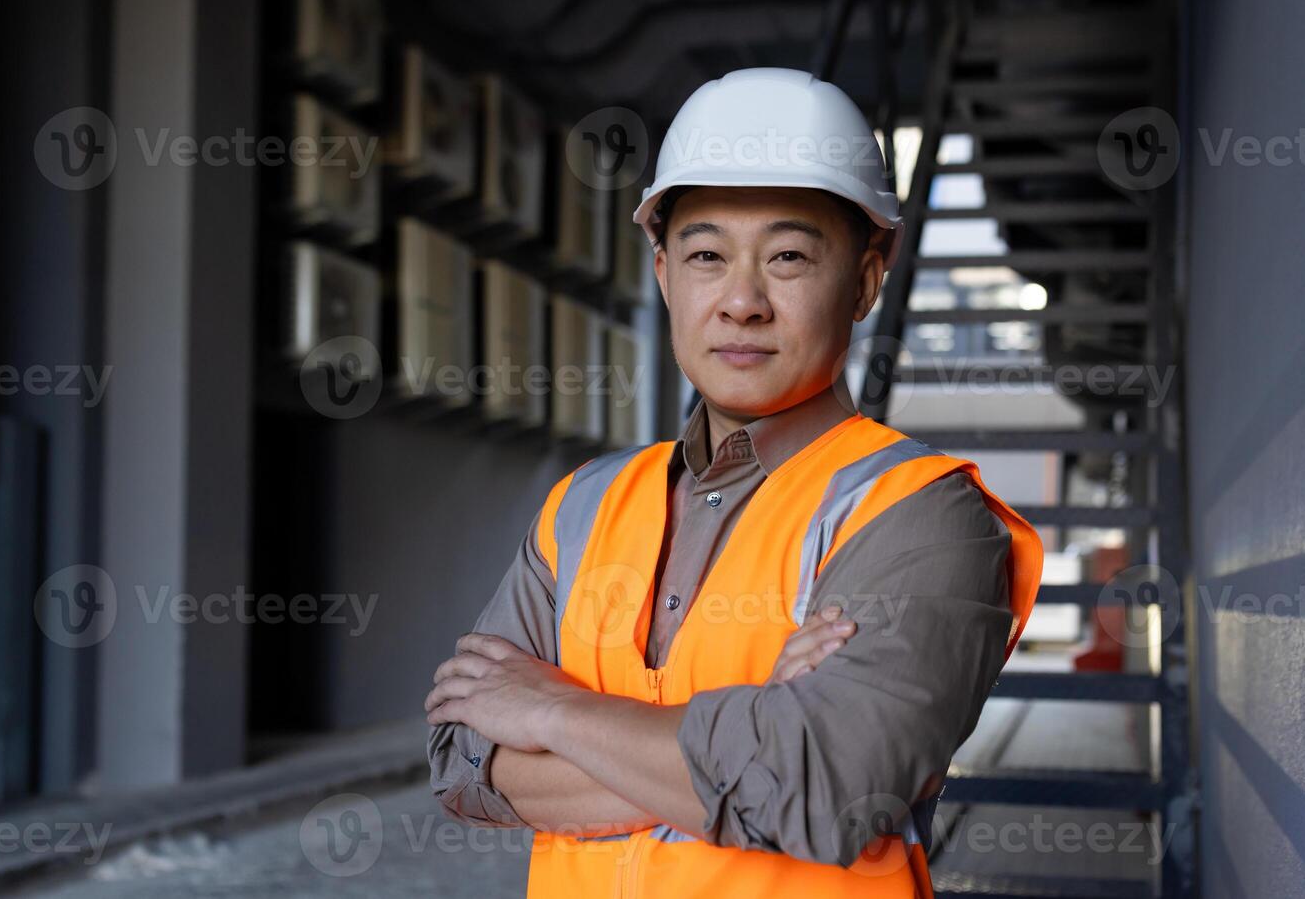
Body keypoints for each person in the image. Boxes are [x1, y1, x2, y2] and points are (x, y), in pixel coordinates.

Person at [425, 67, 1043, 899]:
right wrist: (750, 732)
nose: (742, 300)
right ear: (663, 273)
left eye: (788, 256)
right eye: (708, 255)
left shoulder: (923, 514)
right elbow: (461, 762)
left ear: (864, 281)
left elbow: (830, 789)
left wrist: (549, 714)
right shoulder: (581, 508)